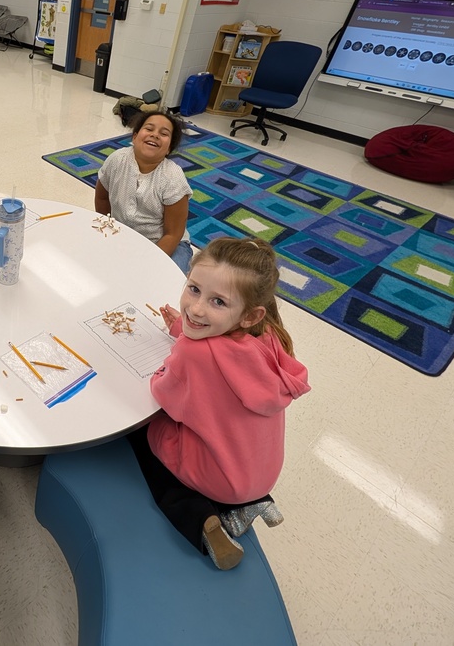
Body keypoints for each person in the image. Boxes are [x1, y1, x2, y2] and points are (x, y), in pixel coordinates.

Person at [127, 237, 311, 570]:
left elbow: (163, 394)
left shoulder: (193, 353)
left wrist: (167, 364)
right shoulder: (268, 334)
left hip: (220, 480)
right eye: (193, 289)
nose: (196, 309)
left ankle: (203, 520)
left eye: (217, 302)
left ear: (248, 315)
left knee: (141, 432)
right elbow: (223, 341)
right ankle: (250, 502)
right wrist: (181, 328)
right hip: (261, 474)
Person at [94, 110, 192, 274]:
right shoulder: (117, 159)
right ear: (134, 137)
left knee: (166, 283)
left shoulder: (173, 177)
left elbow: (173, 234)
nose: (155, 135)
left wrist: (145, 263)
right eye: (149, 129)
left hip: (167, 244)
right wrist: (110, 230)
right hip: (124, 234)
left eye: (164, 133)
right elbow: (102, 198)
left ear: (169, 149)